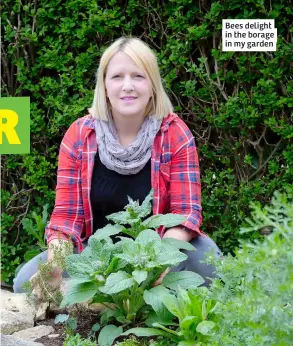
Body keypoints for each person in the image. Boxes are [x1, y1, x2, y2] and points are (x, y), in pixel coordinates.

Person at [13, 36, 221, 298]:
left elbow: (186, 214)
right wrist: (55, 264)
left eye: (138, 76)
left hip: (157, 248)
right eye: (117, 77)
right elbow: (66, 219)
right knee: (24, 284)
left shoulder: (175, 134)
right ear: (104, 86)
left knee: (208, 262)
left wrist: (160, 262)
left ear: (153, 85)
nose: (127, 86)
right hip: (98, 253)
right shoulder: (79, 135)